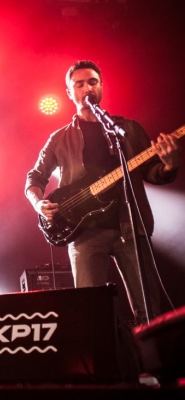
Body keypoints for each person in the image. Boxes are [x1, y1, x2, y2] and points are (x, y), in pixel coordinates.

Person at [25, 60, 180, 325]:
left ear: (102, 87)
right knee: (90, 312)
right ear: (69, 92)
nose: (87, 88)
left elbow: (151, 172)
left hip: (130, 228)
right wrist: (39, 203)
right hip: (83, 233)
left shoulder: (127, 130)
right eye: (80, 83)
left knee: (149, 311)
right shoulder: (59, 138)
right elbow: (34, 178)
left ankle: (153, 366)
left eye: (93, 82)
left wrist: (169, 164)